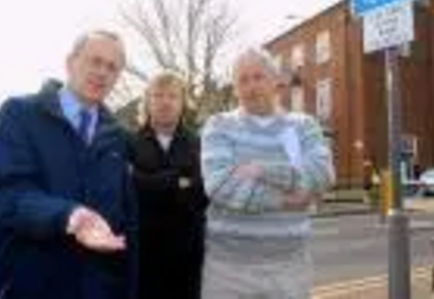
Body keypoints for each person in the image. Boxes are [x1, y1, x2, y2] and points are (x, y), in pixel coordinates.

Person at [0, 30, 138, 299]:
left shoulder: (117, 137)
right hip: (24, 282)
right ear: (70, 62)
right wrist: (69, 216)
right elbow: (7, 194)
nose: (102, 73)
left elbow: (125, 218)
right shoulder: (18, 114)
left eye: (112, 67)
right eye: (94, 61)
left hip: (94, 287)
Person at [200, 48, 335, 299]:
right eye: (243, 80)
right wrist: (286, 200)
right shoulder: (219, 125)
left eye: (258, 77)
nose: (251, 87)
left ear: (275, 81)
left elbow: (321, 174)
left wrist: (260, 170)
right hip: (227, 271)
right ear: (235, 88)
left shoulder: (303, 126)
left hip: (289, 270)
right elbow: (220, 187)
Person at [129, 72, 207, 299]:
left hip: (188, 255)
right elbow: (130, 187)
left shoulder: (198, 143)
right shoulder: (130, 142)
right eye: (158, 95)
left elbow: (201, 191)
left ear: (183, 103)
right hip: (145, 255)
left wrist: (147, 180)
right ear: (147, 102)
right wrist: (178, 180)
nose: (165, 102)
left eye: (173, 96)